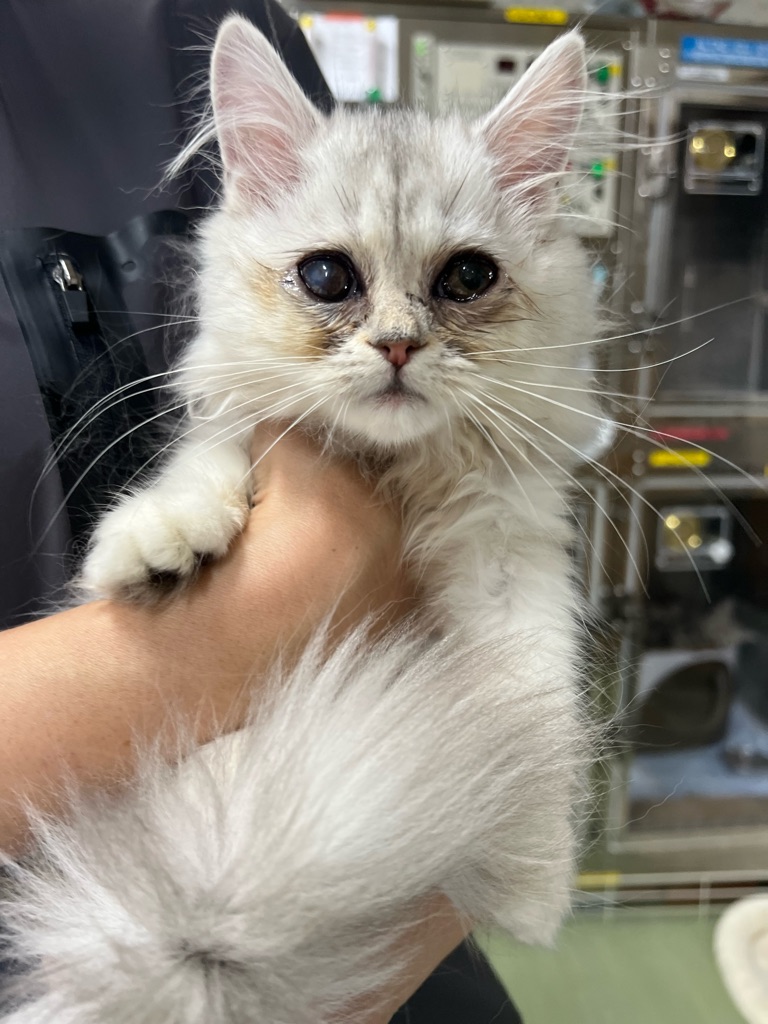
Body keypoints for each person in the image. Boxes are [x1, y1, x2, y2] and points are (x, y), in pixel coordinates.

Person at [0, 2, 523, 1020]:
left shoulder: (203, 24)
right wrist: (260, 612)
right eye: (332, 279)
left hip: (367, 890)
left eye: (459, 279)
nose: (397, 333)